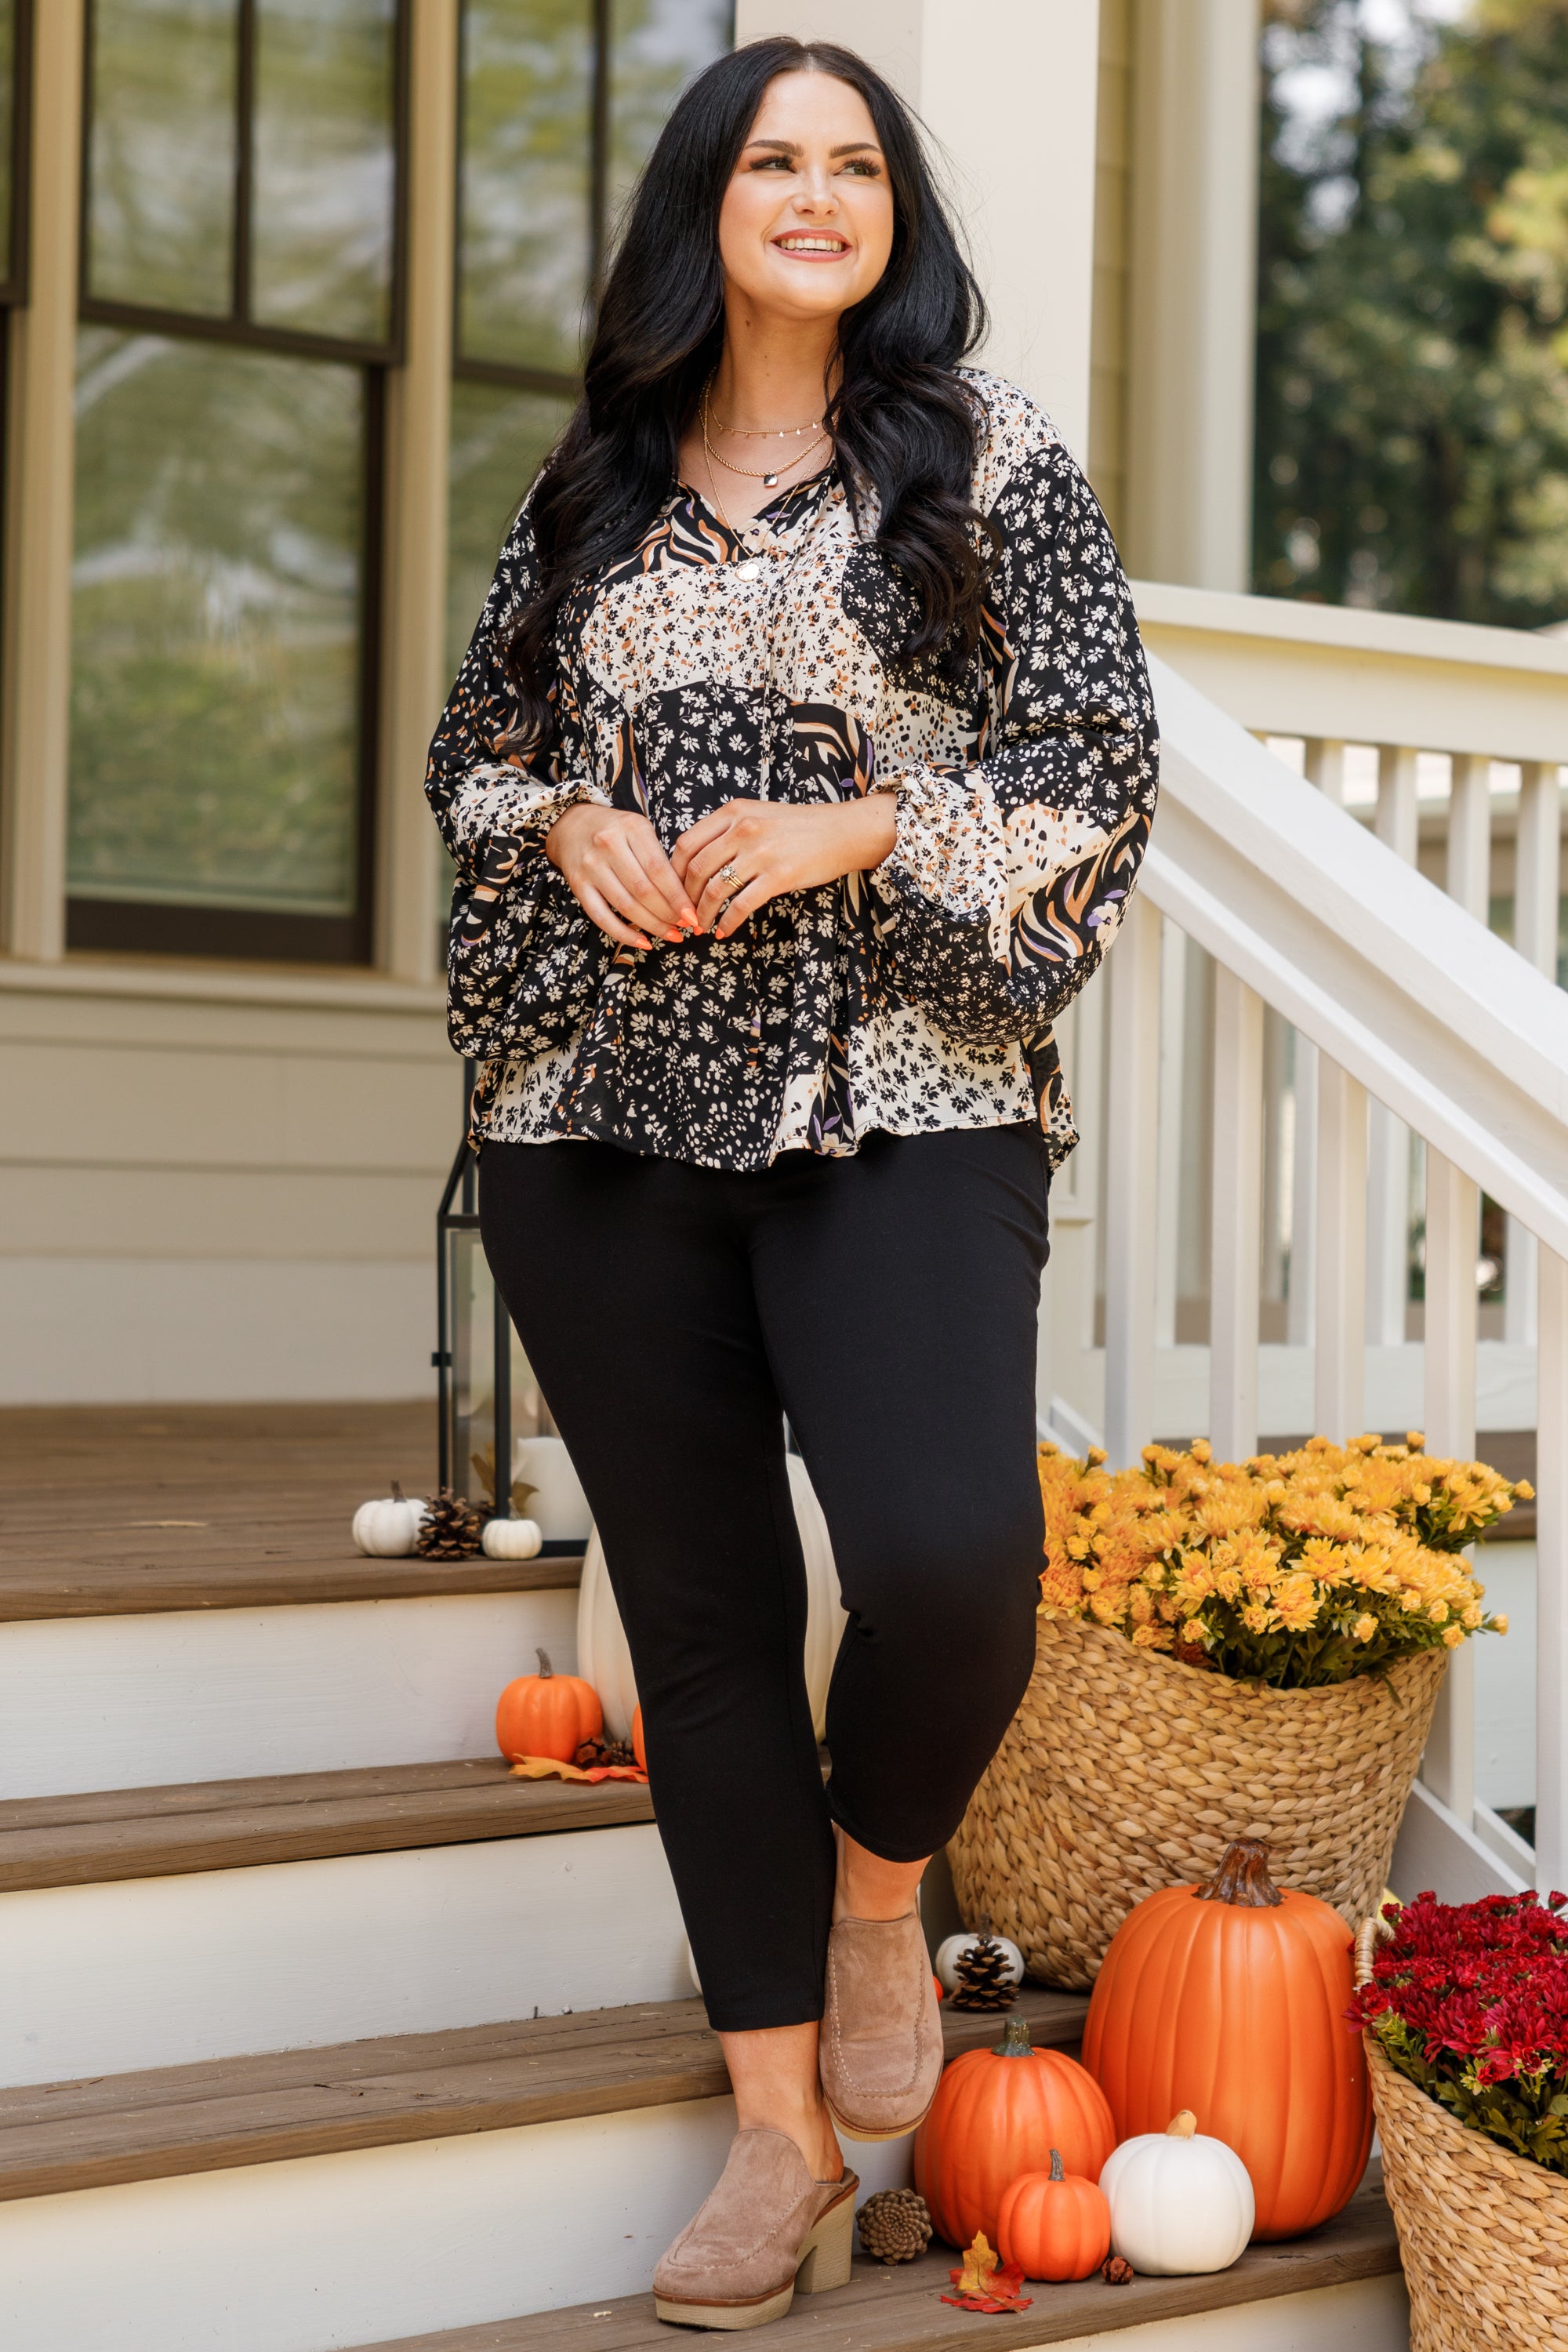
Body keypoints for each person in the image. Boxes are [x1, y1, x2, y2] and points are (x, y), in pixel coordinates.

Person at [426, 34, 1156, 2331]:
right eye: (773, 162)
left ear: (892, 212)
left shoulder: (988, 458)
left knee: (950, 1565)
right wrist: (566, 822)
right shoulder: (591, 482)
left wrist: (865, 825)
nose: (818, 195)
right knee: (710, 1620)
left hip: (905, 1092)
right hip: (593, 1113)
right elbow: (474, 753)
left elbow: (1100, 763)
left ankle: (874, 1891)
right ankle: (777, 2142)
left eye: (857, 163)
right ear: (708, 204)